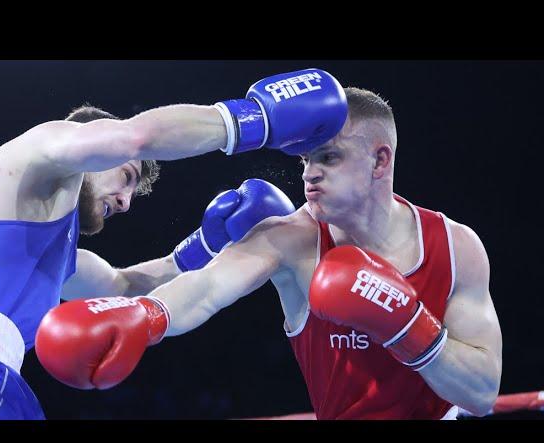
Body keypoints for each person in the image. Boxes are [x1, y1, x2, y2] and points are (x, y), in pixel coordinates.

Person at [0, 68, 348, 419]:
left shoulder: (48, 255)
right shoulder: (36, 151)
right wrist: (254, 119)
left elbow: (124, 286)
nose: (126, 201)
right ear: (90, 143)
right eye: (127, 177)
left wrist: (208, 244)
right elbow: (132, 137)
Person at [38, 87, 503, 419]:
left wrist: (406, 324)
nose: (310, 174)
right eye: (305, 160)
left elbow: (482, 394)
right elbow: (206, 288)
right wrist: (145, 316)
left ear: (380, 161)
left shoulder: (456, 246)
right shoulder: (289, 238)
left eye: (329, 157)